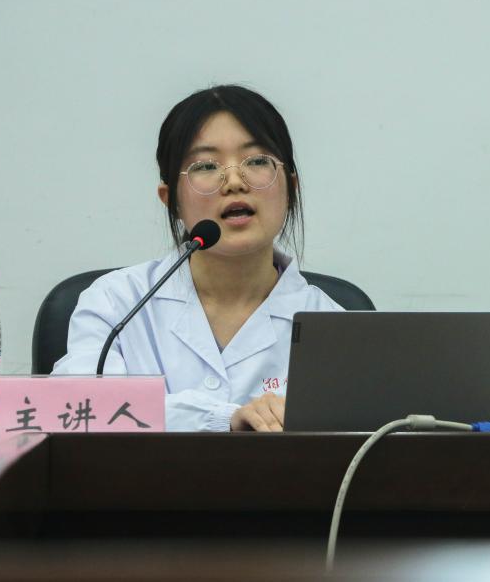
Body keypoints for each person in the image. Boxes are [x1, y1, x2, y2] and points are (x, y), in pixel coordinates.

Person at [53, 85, 342, 432]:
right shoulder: (116, 303)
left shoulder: (334, 328)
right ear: (170, 199)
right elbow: (77, 409)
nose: (234, 181)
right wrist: (223, 418)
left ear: (291, 187)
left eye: (256, 161)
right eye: (205, 165)